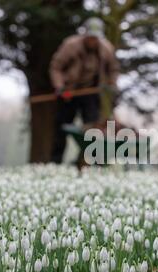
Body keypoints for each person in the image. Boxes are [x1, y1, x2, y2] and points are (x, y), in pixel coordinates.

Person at [49, 17, 120, 164]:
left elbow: (113, 69)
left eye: (96, 38)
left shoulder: (106, 49)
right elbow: (56, 67)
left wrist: (112, 84)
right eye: (90, 38)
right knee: (61, 128)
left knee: (93, 129)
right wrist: (60, 87)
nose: (93, 41)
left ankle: (86, 163)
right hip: (69, 92)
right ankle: (55, 162)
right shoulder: (70, 46)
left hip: (91, 93)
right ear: (85, 36)